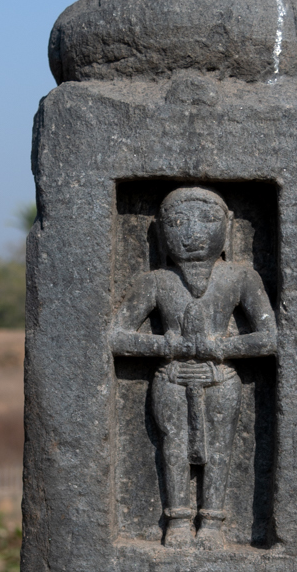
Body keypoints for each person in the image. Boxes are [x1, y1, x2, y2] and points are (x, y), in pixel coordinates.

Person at [108, 186, 277, 545]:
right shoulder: (155, 281)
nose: (192, 233)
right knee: (174, 445)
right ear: (161, 232)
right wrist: (168, 345)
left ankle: (213, 523)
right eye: (179, 222)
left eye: (207, 220)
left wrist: (222, 347)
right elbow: (117, 337)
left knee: (220, 448)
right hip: (171, 377)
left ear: (228, 227)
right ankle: (178, 521)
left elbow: (269, 338)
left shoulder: (240, 278)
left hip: (221, 377)